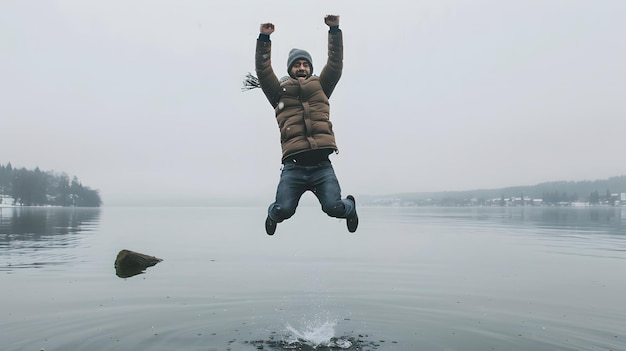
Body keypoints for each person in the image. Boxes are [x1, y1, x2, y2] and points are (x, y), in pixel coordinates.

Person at [254, 15, 358, 235]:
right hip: (293, 167)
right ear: (290, 69)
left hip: (322, 165)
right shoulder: (277, 92)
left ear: (310, 68)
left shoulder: (321, 86)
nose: (301, 68)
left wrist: (334, 30)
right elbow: (263, 72)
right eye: (297, 65)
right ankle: (272, 216)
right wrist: (264, 37)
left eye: (305, 64)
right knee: (282, 210)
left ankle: (350, 208)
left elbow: (335, 63)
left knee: (334, 207)